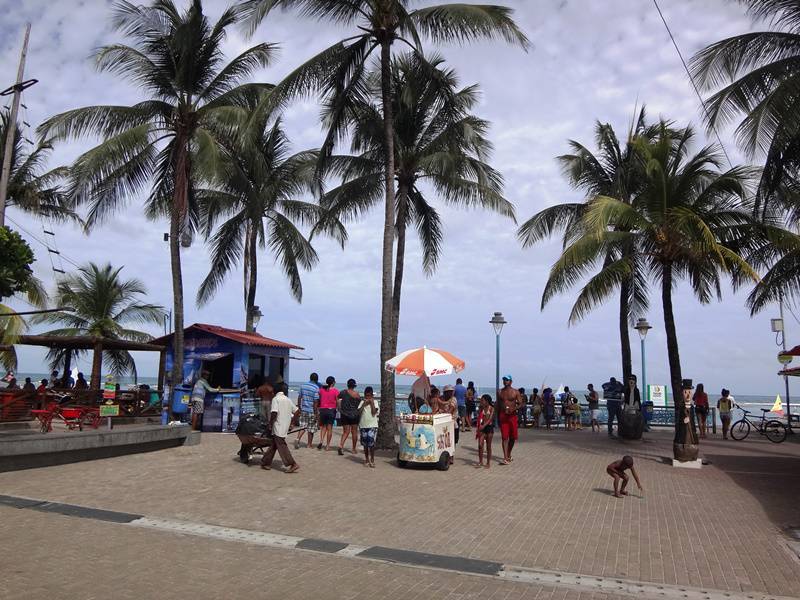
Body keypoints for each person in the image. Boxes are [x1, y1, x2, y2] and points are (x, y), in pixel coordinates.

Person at [261, 383, 300, 473]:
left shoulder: (276, 399)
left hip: (278, 426)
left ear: (275, 391)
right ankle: (265, 462)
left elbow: (274, 413)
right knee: (274, 445)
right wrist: (292, 422)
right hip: (285, 426)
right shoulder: (288, 400)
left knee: (281, 445)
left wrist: (270, 424)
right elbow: (297, 411)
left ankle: (293, 464)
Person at [497, 375, 522, 464]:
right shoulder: (500, 391)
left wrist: (513, 409)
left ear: (511, 381)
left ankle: (508, 454)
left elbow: (521, 404)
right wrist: (496, 418)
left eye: (507, 380)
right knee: (504, 437)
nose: (505, 381)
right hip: (503, 416)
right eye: (504, 380)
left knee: (512, 437)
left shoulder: (516, 392)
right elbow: (498, 405)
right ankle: (505, 457)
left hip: (512, 416)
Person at [295, 373, 320, 449]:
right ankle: (309, 445)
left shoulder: (303, 385)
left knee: (303, 426)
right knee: (311, 428)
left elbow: (299, 397)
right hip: (311, 410)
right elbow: (315, 402)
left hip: (304, 409)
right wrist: (316, 413)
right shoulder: (316, 388)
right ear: (316, 379)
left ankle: (298, 438)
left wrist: (299, 407)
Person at [337, 379, 361, 455]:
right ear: (354, 386)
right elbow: (359, 405)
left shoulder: (343, 392)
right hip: (354, 415)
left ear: (347, 385)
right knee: (354, 432)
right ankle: (353, 449)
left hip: (344, 414)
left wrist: (339, 408)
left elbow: (338, 399)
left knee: (345, 432)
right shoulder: (357, 394)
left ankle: (341, 446)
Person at [358, 386, 379, 468]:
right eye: (366, 396)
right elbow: (359, 412)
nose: (368, 397)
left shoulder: (376, 402)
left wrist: (372, 403)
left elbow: (374, 413)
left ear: (372, 396)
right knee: (365, 444)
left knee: (371, 443)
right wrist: (364, 404)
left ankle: (372, 459)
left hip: (372, 425)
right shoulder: (362, 402)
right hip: (363, 425)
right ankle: (366, 459)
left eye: (369, 396)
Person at [317, 376, 338, 451]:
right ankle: (328, 446)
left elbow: (319, 397)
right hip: (331, 410)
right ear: (332, 383)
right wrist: (338, 408)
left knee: (323, 427)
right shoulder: (335, 391)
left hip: (322, 410)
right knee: (329, 428)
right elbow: (338, 401)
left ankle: (321, 441)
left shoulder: (322, 390)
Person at [475, 394, 494, 469]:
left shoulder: (491, 408)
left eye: (482, 401)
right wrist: (479, 426)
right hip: (482, 428)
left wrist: (484, 425)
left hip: (489, 428)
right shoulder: (481, 408)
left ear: (487, 401)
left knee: (488, 446)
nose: (481, 402)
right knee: (480, 445)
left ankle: (488, 462)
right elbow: (479, 417)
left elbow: (490, 419)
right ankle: (480, 461)